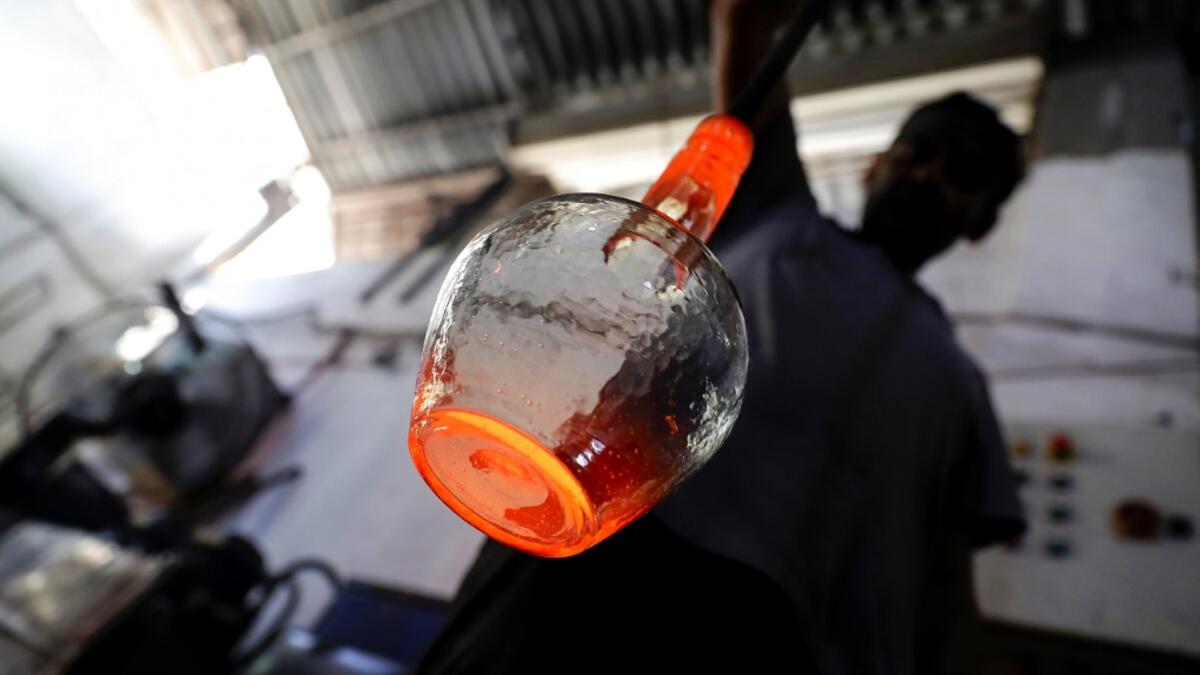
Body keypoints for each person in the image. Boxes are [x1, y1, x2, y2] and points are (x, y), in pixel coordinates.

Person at [416, 2, 1026, 673]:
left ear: (982, 223)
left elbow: (945, 581)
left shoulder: (964, 388)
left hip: (767, 633)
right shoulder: (780, 214)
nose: (928, 177)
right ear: (875, 164)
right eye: (919, 152)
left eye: (962, 174)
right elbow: (744, 23)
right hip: (590, 544)